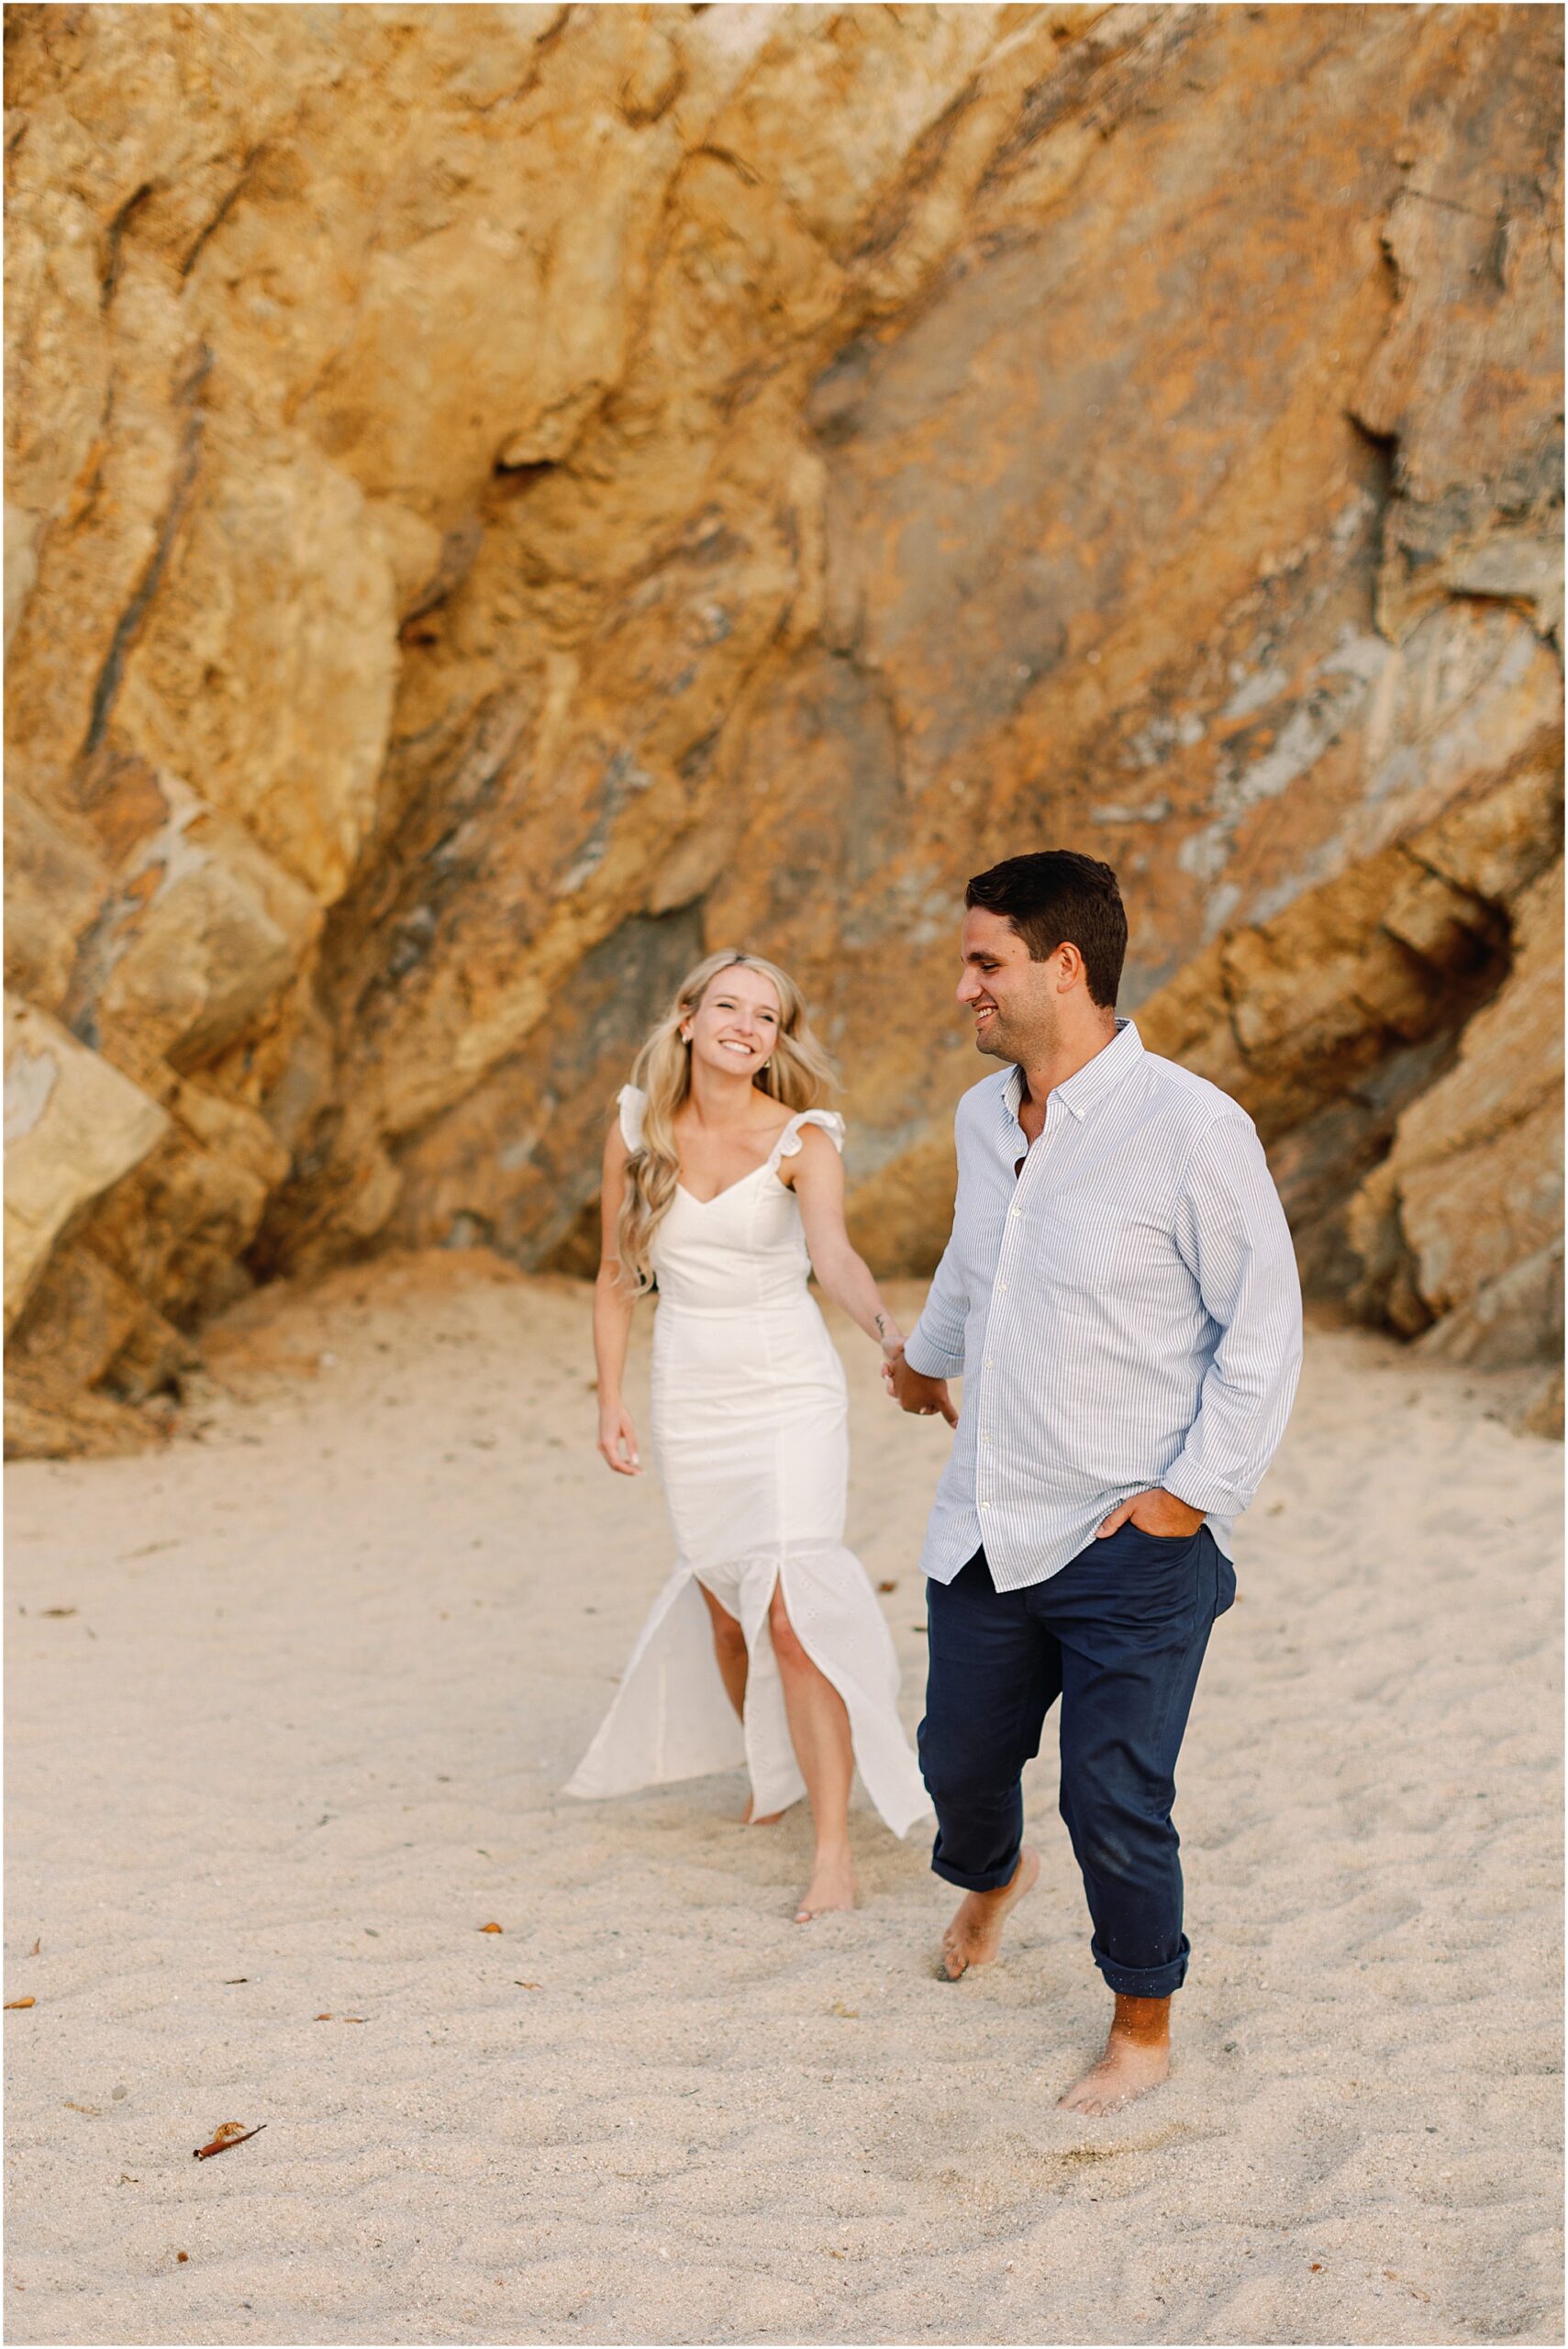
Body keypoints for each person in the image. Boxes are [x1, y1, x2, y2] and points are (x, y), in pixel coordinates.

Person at [884, 852, 1302, 2113]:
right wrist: (925, 1360)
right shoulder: (979, 1118)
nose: (964, 987)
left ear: (1063, 968)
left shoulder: (1189, 1126)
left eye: (983, 963)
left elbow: (1263, 1329)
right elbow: (974, 1262)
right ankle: (990, 1873)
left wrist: (1189, 1496)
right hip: (986, 1521)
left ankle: (1139, 2024)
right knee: (954, 1765)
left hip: (1132, 1535)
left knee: (1115, 1794)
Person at [567, 949, 930, 1920]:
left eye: (763, 1016)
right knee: (726, 1611)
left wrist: (892, 1334)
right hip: (691, 1388)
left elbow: (833, 1255)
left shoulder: (802, 1140)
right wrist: (609, 1399)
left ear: (777, 1038)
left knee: (788, 1609)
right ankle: (774, 1769)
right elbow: (613, 1276)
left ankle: (831, 1849)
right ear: (686, 1019)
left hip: (786, 1389)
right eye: (725, 1006)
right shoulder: (635, 1127)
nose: (743, 1025)